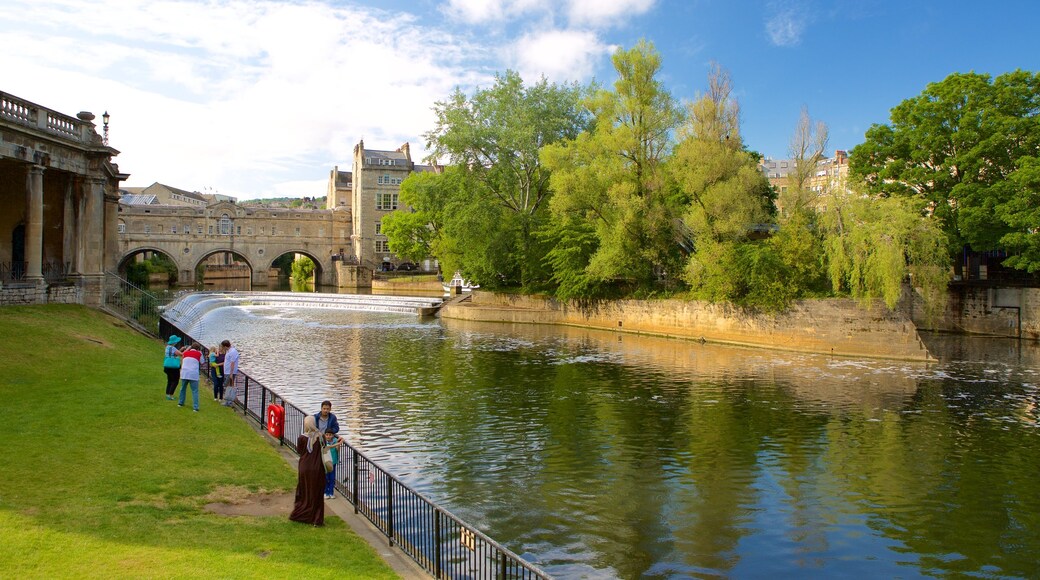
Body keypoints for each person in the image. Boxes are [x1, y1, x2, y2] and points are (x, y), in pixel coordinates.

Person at [289, 416, 326, 526]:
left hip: (305, 467)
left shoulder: (302, 438)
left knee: (304, 489)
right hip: (318, 468)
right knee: (317, 492)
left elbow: (300, 451)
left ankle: (303, 513)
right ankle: (316, 517)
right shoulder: (321, 437)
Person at [177, 342, 203, 412]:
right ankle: (195, 407)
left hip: (184, 373)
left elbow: (182, 357)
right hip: (193, 374)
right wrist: (200, 353)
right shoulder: (199, 354)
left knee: (182, 388)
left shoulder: (185, 353)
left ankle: (180, 403)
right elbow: (202, 362)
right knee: (195, 391)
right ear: (198, 349)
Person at [321, 428, 346, 500]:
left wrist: (338, 444)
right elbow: (325, 448)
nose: (328, 436)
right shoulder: (323, 442)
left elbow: (337, 450)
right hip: (325, 462)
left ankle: (331, 492)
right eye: (327, 435)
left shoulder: (335, 440)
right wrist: (339, 442)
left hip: (333, 462)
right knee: (326, 477)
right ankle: (326, 492)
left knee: (332, 478)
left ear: (332, 435)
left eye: (330, 435)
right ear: (325, 435)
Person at [163, 335, 183, 400]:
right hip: (173, 367)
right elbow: (181, 354)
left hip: (167, 366)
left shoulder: (167, 347)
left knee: (169, 380)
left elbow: (174, 354)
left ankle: (167, 394)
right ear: (174, 342)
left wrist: (181, 349)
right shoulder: (173, 348)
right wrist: (187, 349)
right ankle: (171, 395)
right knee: (175, 381)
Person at [221, 339, 239, 406]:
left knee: (228, 385)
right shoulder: (229, 351)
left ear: (225, 346)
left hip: (230, 372)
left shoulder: (233, 352)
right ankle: (229, 401)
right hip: (227, 371)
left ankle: (229, 401)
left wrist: (231, 373)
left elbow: (232, 363)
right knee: (228, 385)